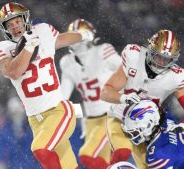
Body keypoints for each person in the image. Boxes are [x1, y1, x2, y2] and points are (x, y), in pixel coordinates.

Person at [0, 2, 94, 169]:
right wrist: (29, 46)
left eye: (17, 21)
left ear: (25, 19)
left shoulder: (43, 31)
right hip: (35, 119)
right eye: (10, 25)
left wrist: (84, 35)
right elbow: (14, 71)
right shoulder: (2, 48)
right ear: (4, 29)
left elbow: (61, 39)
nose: (15, 27)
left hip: (59, 111)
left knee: (40, 149)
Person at [100, 29, 184, 169]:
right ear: (150, 50)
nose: (161, 62)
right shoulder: (134, 56)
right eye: (158, 57)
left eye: (167, 59)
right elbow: (105, 92)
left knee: (149, 165)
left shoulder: (176, 76)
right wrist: (123, 98)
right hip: (120, 117)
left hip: (148, 129)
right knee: (121, 154)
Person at [59, 18, 121, 169]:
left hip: (110, 116)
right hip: (90, 120)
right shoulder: (67, 62)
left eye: (79, 35)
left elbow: (127, 73)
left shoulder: (103, 51)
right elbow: (62, 96)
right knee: (101, 163)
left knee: (87, 155)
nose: (76, 40)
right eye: (73, 36)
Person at [122, 99, 184, 169]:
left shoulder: (156, 156)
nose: (132, 136)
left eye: (135, 132)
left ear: (149, 124)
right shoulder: (166, 115)